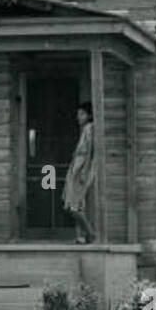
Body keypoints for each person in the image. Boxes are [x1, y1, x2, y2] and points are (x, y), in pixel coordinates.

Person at [63, 102, 96, 244]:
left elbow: (90, 152)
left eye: (81, 114)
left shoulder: (90, 128)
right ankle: (84, 236)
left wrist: (84, 171)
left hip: (82, 170)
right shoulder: (85, 130)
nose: (78, 117)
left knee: (73, 206)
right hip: (76, 169)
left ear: (89, 115)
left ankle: (90, 233)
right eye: (78, 114)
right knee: (75, 204)